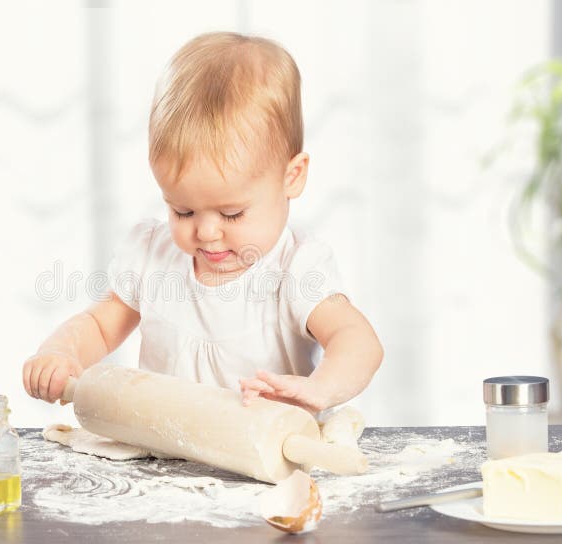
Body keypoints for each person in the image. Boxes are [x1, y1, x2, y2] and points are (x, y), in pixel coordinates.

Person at [23, 31, 383, 415]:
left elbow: (358, 341)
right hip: (164, 461)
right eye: (183, 211)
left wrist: (322, 388)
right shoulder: (151, 255)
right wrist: (61, 352)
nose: (206, 233)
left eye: (232, 214)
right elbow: (99, 326)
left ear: (291, 177)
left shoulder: (295, 268)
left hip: (267, 467)